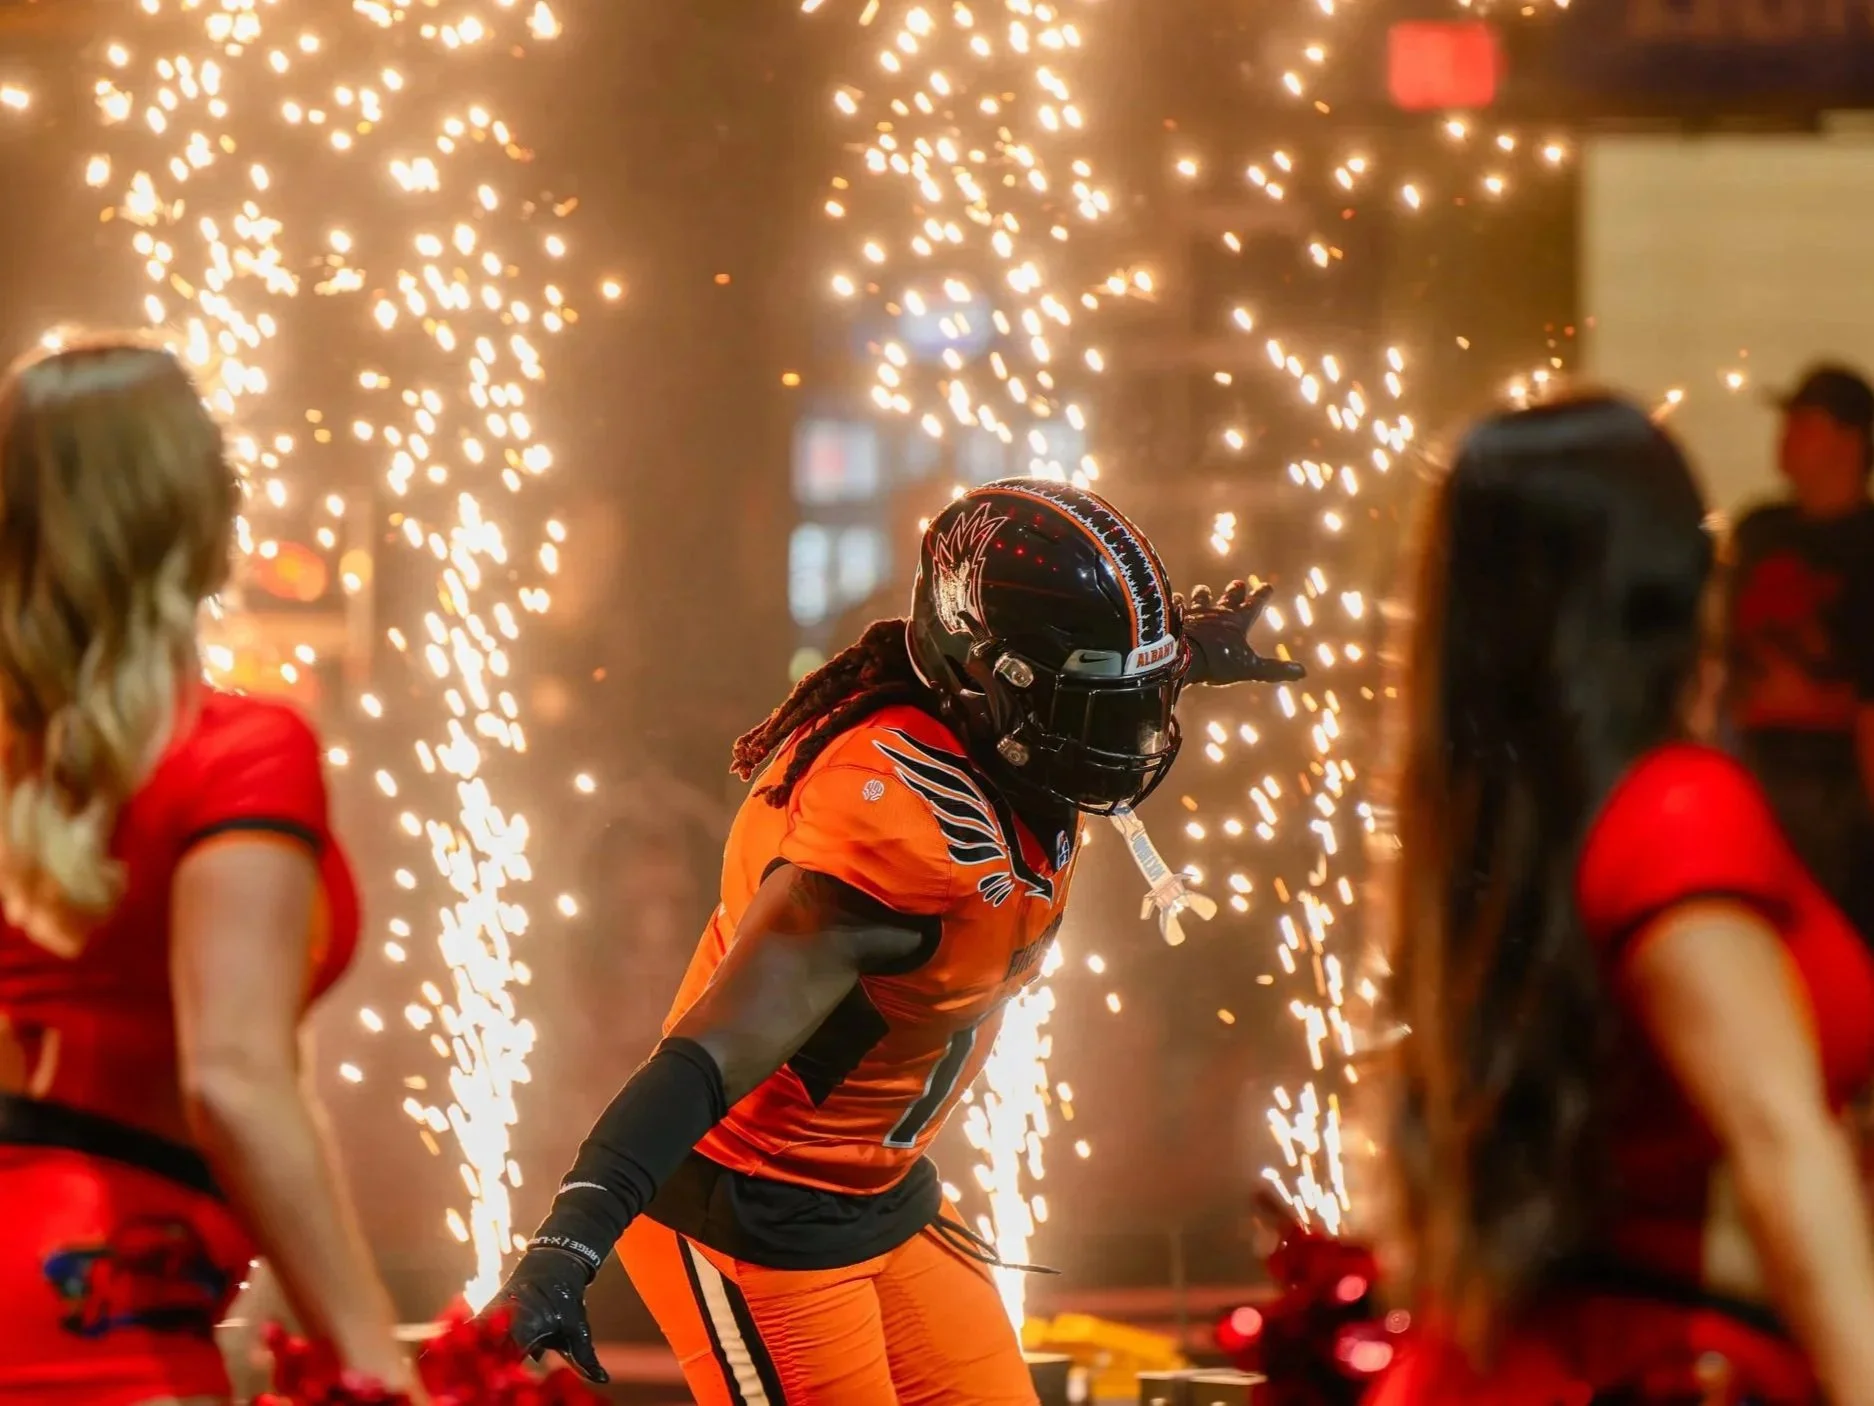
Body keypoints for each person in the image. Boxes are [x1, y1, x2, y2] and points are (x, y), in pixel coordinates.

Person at [489, 479, 1304, 1403]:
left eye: (1138, 697)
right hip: (751, 1213)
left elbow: (1070, 682)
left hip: (879, 1189)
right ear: (985, 676)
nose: (1132, 735)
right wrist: (567, 1243)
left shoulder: (1005, 723)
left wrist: (1182, 655)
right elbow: (704, 1059)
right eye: (1105, 704)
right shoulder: (888, 831)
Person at [1372, 395, 1874, 1406]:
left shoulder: (1516, 827)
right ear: (1664, 582)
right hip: (1646, 1367)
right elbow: (1778, 1142)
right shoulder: (1674, 809)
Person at [0, 338, 417, 1403]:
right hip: (106, 1308)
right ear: (198, 514)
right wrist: (378, 1365)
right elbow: (233, 1078)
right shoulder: (235, 752)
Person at [1727, 364, 1874, 940]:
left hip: (1830, 782)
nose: (1785, 436)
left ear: (1850, 440)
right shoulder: (1759, 531)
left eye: (1803, 422)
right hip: (1749, 762)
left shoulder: (1866, 546)